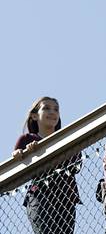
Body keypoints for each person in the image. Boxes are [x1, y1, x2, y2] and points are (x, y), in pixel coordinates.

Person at [12, 96, 82, 234]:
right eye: (46, 108)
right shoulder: (28, 139)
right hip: (41, 196)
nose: (52, 112)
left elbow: (76, 164)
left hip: (65, 198)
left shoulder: (64, 139)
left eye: (56, 109)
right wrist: (27, 154)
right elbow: (17, 159)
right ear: (34, 116)